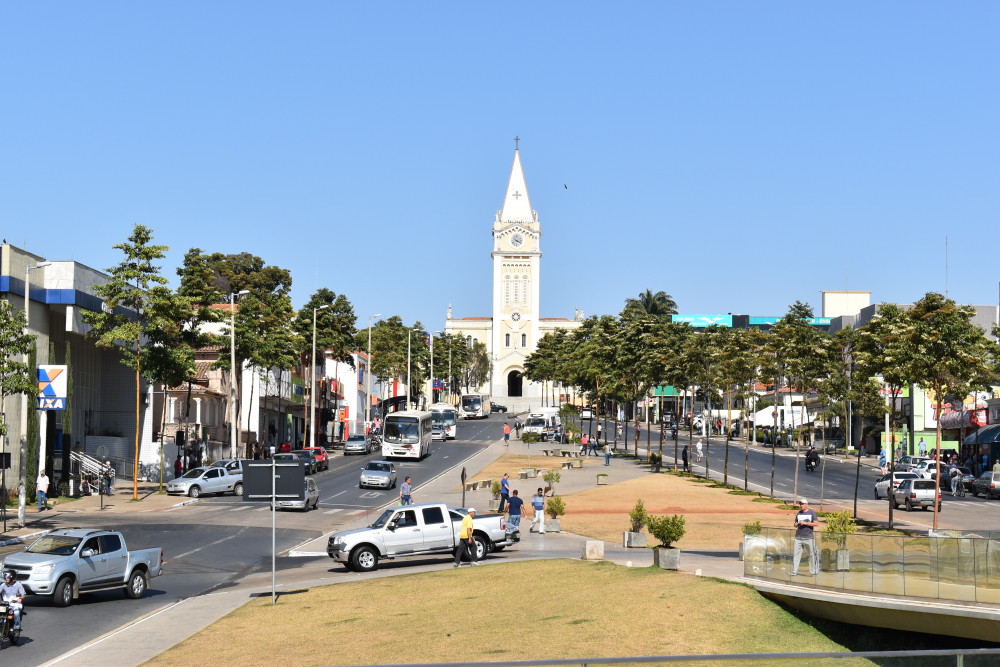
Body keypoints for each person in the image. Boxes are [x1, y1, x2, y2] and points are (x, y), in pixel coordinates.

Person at [791, 499, 819, 576]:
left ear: (807, 504)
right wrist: (796, 524)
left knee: (812, 554)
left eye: (803, 504)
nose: (801, 505)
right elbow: (795, 523)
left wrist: (806, 523)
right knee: (796, 554)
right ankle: (794, 572)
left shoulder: (812, 513)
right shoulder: (799, 513)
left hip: (809, 537)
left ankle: (813, 572)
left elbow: (816, 523)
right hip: (798, 537)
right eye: (800, 504)